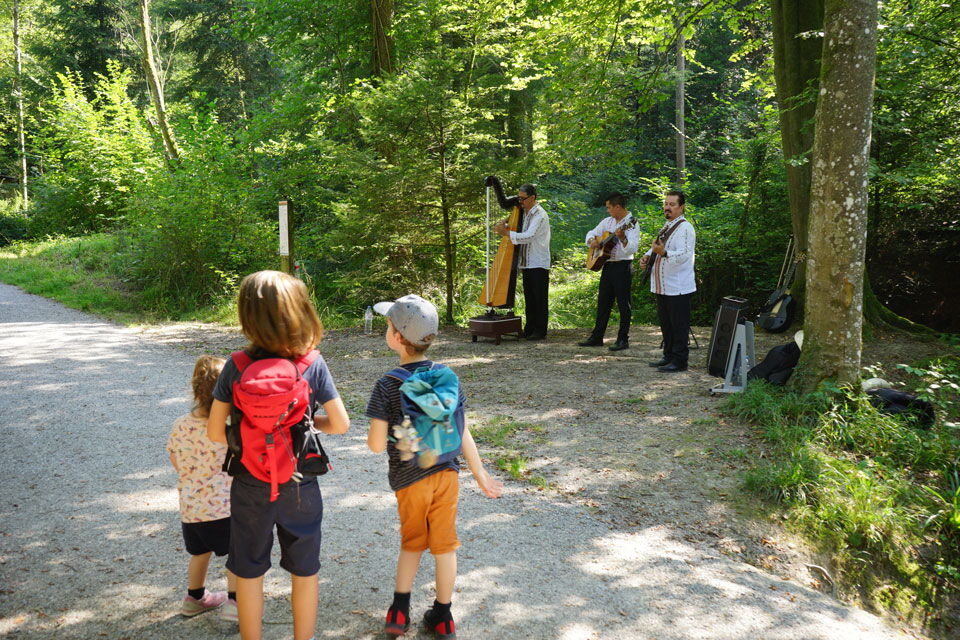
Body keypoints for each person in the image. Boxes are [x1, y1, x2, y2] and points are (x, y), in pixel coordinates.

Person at [207, 270, 351, 640]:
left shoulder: (236, 365)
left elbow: (214, 431)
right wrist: (307, 423)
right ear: (300, 312)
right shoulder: (311, 364)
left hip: (249, 482)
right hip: (301, 482)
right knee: (305, 571)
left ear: (247, 316)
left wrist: (252, 432)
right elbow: (340, 424)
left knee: (249, 571)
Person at [365, 294, 503, 638]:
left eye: (388, 326)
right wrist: (480, 473)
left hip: (409, 479)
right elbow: (462, 429)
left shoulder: (387, 384)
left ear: (397, 338)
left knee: (412, 543)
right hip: (447, 474)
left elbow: (376, 444)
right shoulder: (446, 377)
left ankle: (398, 613)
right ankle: (443, 615)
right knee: (444, 546)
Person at [167, 355, 238, 621]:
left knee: (199, 553)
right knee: (237, 556)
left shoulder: (181, 425)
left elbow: (175, 458)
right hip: (224, 508)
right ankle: (235, 603)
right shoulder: (227, 427)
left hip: (191, 509)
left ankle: (194, 598)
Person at [639, 190, 696, 372]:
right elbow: (657, 247)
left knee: (679, 326)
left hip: (678, 286)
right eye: (666, 204)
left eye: (672, 204)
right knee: (667, 325)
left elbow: (685, 255)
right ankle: (669, 356)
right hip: (662, 286)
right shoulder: (667, 225)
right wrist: (647, 256)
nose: (667, 207)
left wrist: (663, 253)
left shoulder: (686, 228)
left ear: (681, 207)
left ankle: (680, 361)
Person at [578, 193, 640, 351]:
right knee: (603, 303)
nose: (608, 210)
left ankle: (623, 339)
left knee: (623, 304)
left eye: (609, 207)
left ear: (618, 207)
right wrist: (592, 241)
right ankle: (597, 337)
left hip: (623, 266)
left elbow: (632, 248)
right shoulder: (607, 222)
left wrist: (623, 238)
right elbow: (591, 233)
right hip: (608, 266)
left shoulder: (631, 224)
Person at [494, 183, 551, 340]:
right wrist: (506, 223)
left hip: (538, 262)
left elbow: (529, 236)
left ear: (532, 198)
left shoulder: (539, 215)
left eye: (523, 198)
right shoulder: (524, 212)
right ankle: (530, 328)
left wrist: (506, 233)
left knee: (539, 299)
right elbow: (519, 229)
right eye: (518, 198)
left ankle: (540, 331)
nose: (520, 201)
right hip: (526, 262)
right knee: (530, 298)